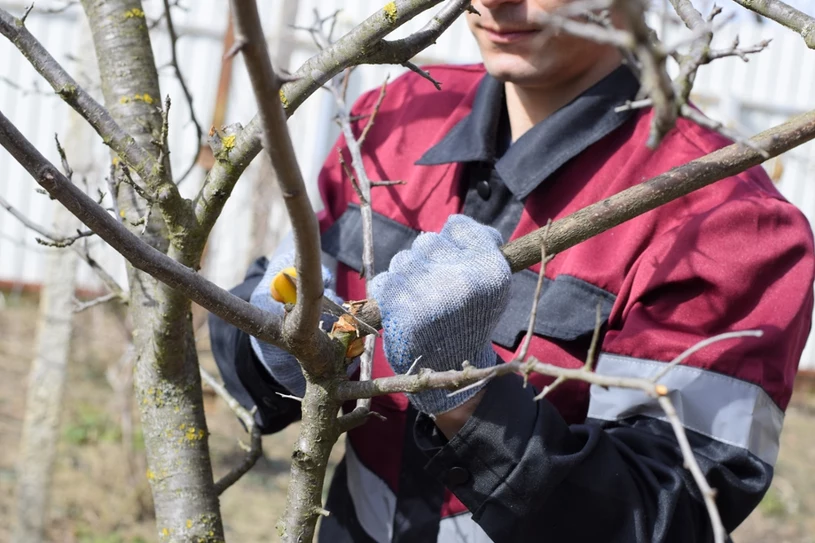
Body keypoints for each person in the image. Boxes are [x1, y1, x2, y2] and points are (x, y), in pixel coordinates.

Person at [208, 0, 815, 541]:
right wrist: (274, 348)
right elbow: (265, 350)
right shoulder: (394, 116)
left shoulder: (725, 223)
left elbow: (672, 511)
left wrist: (469, 400)